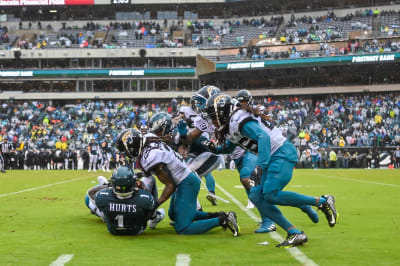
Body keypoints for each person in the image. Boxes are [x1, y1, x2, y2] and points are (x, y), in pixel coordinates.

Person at [205, 93, 338, 247]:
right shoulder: (232, 123)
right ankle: (294, 232)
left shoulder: (238, 119)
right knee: (255, 195)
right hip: (273, 155)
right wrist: (215, 148)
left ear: (222, 113)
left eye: (213, 116)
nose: (212, 121)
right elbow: (229, 147)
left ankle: (322, 202)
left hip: (281, 152)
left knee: (270, 194)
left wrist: (260, 166)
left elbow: (264, 138)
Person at [115, 128, 239, 236]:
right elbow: (167, 141)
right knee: (174, 215)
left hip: (186, 182)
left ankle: (224, 219)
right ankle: (216, 215)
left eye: (125, 150)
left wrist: (155, 206)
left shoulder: (151, 157)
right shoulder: (148, 138)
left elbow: (170, 186)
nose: (125, 154)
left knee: (183, 228)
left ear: (131, 146)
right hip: (183, 178)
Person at [177, 85, 224, 205]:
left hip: (213, 149)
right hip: (205, 147)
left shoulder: (229, 110)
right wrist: (183, 135)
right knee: (186, 176)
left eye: (202, 102)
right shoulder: (203, 117)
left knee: (186, 176)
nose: (199, 105)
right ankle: (197, 206)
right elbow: (190, 138)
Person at [86, 166, 163, 235]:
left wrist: (108, 185)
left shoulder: (102, 196)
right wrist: (141, 185)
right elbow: (150, 204)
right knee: (150, 179)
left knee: (93, 202)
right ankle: (154, 218)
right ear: (133, 183)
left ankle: (105, 184)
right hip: (137, 230)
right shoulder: (144, 197)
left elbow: (90, 193)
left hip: (113, 230)